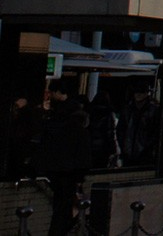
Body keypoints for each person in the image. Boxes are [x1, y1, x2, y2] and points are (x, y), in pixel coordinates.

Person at [38, 84, 91, 236]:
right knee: (65, 207)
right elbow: (83, 152)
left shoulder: (56, 121)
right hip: (70, 171)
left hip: (57, 169)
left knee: (60, 207)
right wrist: (81, 175)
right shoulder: (78, 125)